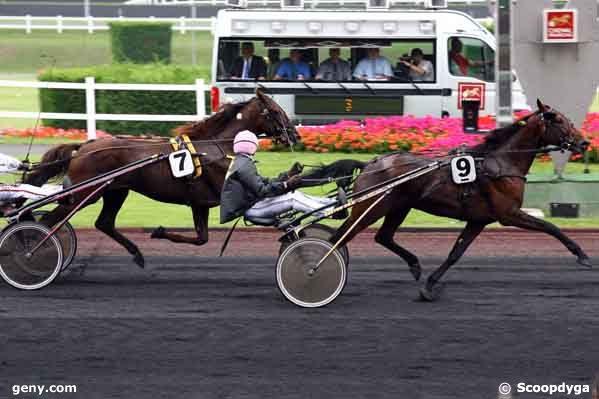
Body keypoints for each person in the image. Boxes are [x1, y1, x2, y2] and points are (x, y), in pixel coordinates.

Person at [220, 131, 335, 224]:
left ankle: (332, 203)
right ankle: (330, 211)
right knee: (293, 198)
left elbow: (265, 182)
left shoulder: (241, 161)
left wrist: (287, 175)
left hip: (252, 205)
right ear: (251, 146)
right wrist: (286, 184)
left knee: (294, 195)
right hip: (251, 209)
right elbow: (263, 191)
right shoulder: (244, 165)